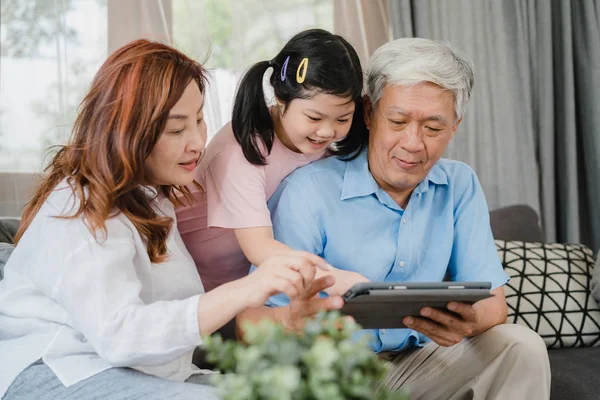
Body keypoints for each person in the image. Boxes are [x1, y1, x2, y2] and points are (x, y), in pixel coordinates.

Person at [0, 39, 335, 400]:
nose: (197, 142)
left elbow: (180, 323)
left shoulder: (154, 200)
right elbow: (121, 335)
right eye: (177, 130)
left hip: (138, 369)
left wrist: (283, 322)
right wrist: (247, 289)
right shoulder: (81, 202)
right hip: (57, 367)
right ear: (128, 132)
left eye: (200, 119)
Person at [240, 37, 552, 399]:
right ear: (369, 112)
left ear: (455, 127)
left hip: (422, 362)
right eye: (398, 121)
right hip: (334, 375)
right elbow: (249, 322)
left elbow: (493, 303)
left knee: (521, 346)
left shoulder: (459, 184)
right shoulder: (309, 191)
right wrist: (292, 323)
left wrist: (469, 321)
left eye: (433, 128)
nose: (413, 143)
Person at [176, 29, 369, 295]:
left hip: (256, 285)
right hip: (203, 292)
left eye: (342, 119)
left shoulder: (317, 144)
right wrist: (335, 278)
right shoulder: (241, 153)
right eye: (314, 118)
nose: (326, 132)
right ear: (280, 98)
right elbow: (261, 249)